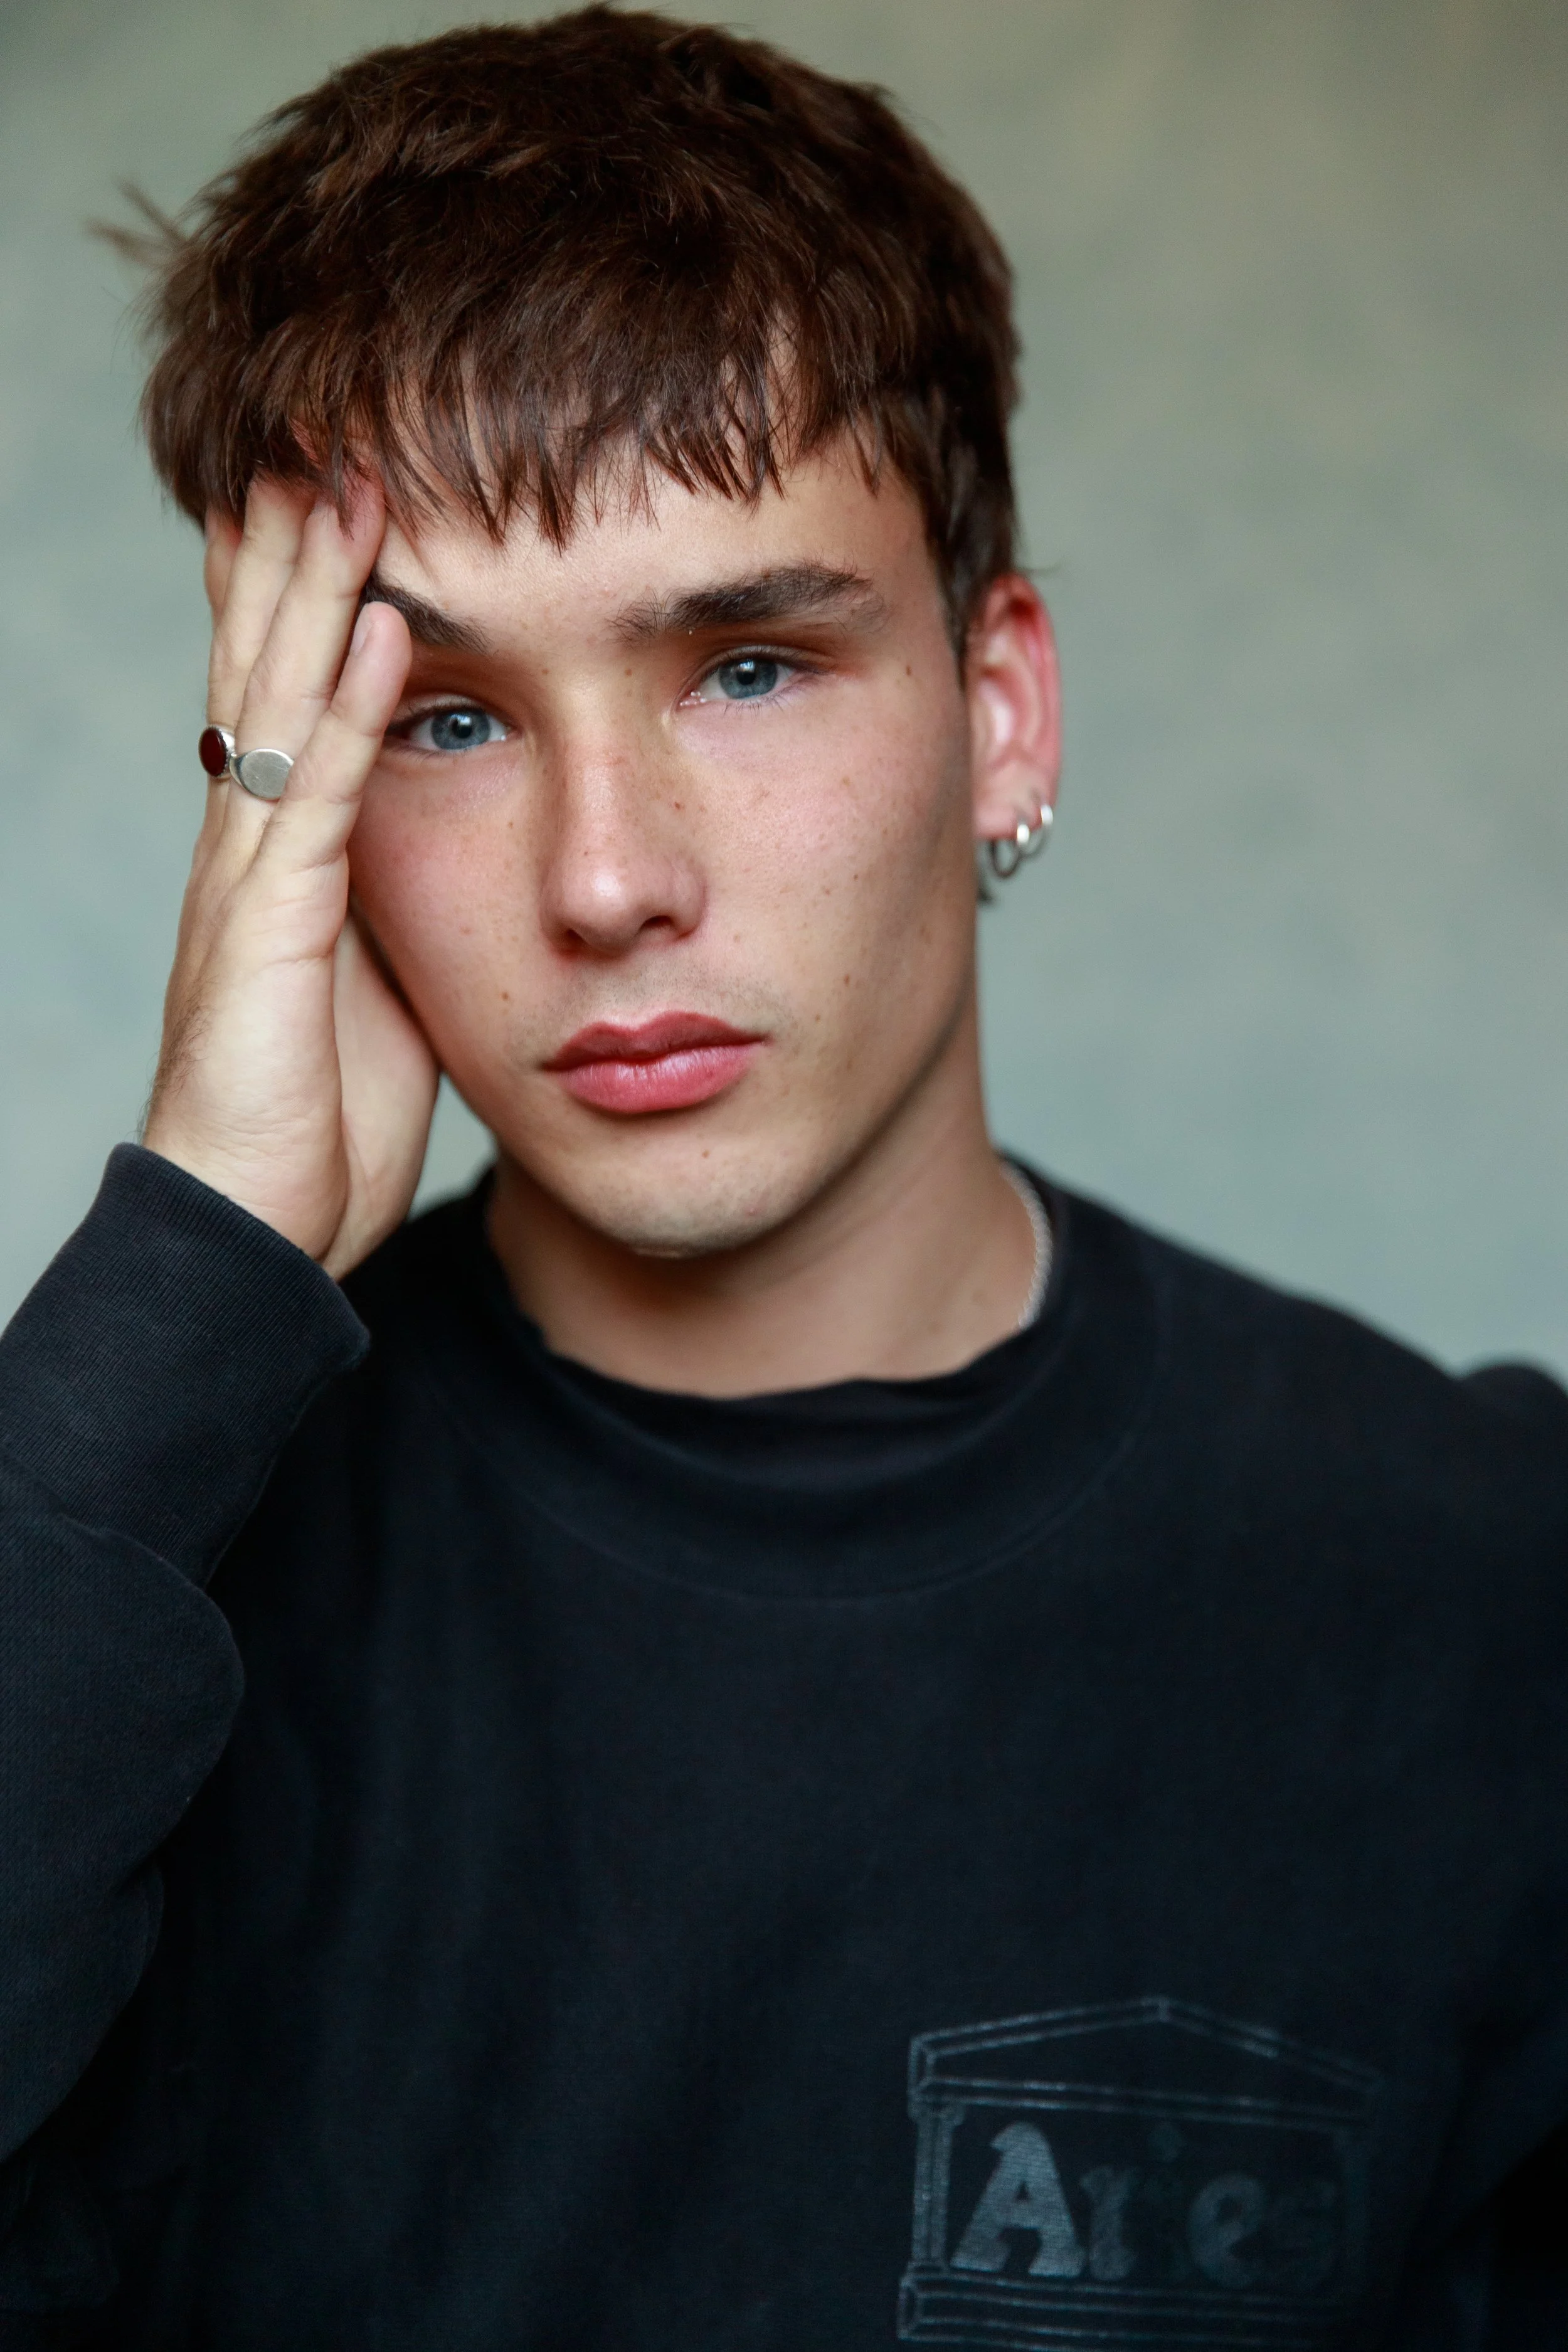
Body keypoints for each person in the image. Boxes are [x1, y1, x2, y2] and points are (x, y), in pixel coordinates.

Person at [0, 8, 1564, 2345]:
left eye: (744, 663)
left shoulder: (1481, 1578)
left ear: (995, 705)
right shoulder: (139, 1581)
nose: (607, 879)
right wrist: (183, 1280)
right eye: (443, 716)